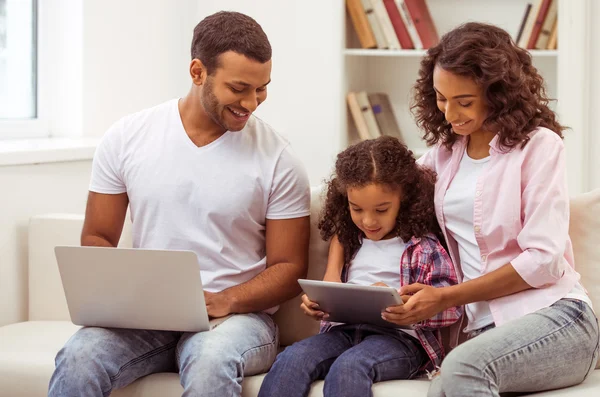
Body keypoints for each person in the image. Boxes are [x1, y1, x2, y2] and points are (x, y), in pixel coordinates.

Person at [48, 11, 311, 397]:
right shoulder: (127, 138)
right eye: (239, 88)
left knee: (210, 362)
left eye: (262, 88)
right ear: (198, 72)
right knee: (78, 357)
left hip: (237, 320)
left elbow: (289, 268)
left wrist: (228, 300)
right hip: (144, 317)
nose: (252, 102)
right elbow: (98, 236)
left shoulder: (278, 158)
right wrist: (127, 298)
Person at [380, 22, 598, 396]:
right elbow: (382, 195)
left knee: (461, 368)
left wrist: (447, 297)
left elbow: (543, 260)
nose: (449, 113)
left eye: (464, 101)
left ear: (498, 93)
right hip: (484, 329)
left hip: (558, 318)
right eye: (440, 98)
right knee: (442, 386)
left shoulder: (539, 147)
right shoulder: (444, 155)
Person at [258, 136, 462, 397]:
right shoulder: (350, 241)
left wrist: (404, 302)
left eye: (381, 210)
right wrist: (318, 303)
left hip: (399, 341)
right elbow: (334, 285)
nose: (368, 221)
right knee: (291, 358)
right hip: (342, 331)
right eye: (357, 209)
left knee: (350, 366)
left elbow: (451, 307)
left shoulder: (424, 247)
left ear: (405, 200)